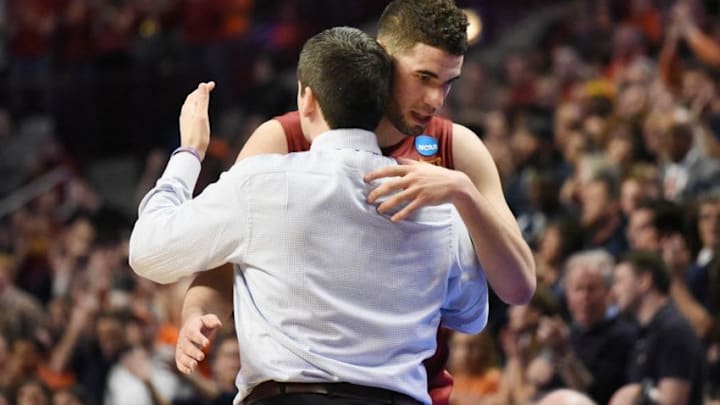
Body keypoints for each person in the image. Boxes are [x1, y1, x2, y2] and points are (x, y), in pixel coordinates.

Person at [178, 2, 536, 403]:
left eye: (448, 83)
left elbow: (519, 286)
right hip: (296, 389)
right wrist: (196, 312)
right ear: (381, 57)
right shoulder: (282, 139)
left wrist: (464, 195)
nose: (436, 99)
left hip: (406, 391)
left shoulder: (457, 149)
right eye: (424, 77)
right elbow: (221, 265)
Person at [537, 249, 637, 405]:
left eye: (591, 289)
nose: (584, 297)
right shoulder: (569, 332)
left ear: (608, 293)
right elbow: (537, 377)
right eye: (578, 289)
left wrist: (563, 352)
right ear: (568, 297)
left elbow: (595, 396)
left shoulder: (623, 335)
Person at [610, 251, 705, 405]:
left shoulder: (673, 331)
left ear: (644, 281)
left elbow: (673, 402)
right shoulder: (643, 331)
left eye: (619, 281)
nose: (614, 292)